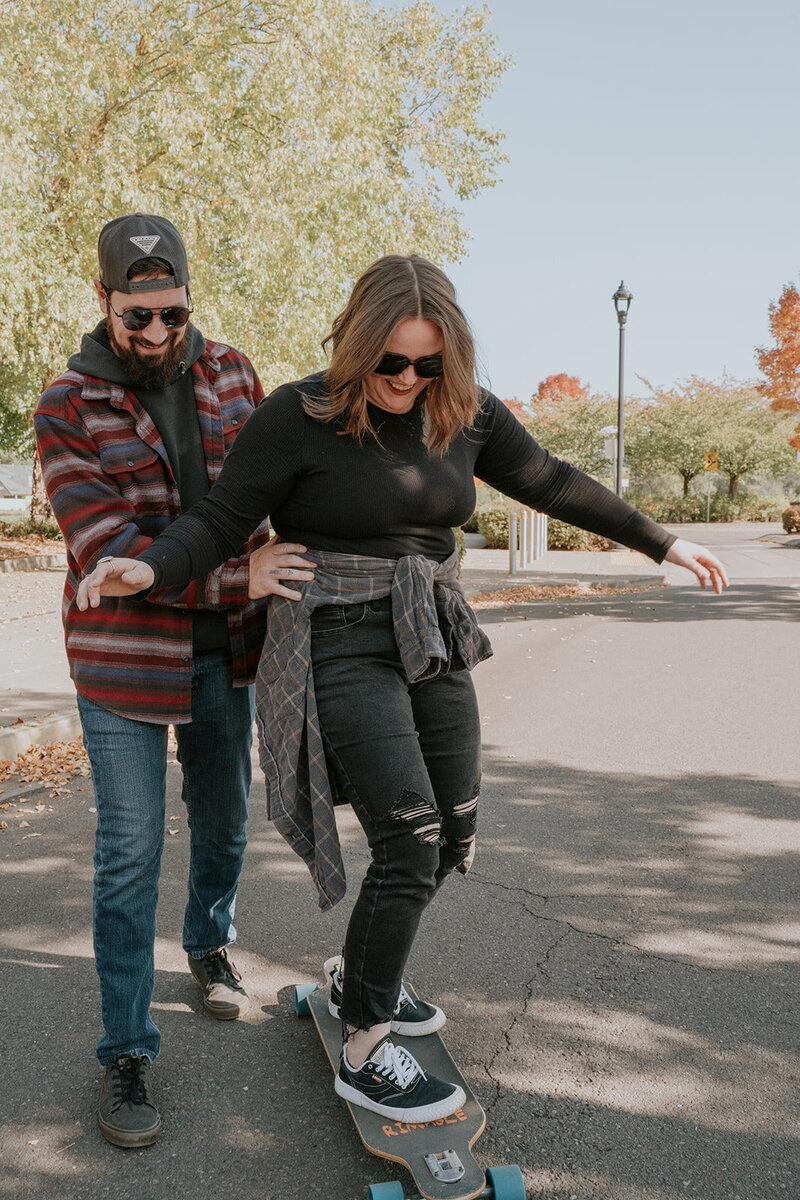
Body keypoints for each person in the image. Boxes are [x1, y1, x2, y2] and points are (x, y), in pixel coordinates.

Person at [77, 253, 728, 1125]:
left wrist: (663, 543)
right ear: (356, 346)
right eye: (390, 362)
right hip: (338, 634)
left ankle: (362, 976)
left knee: (454, 828)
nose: (407, 380)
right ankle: (366, 1044)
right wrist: (150, 568)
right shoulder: (299, 415)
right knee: (410, 836)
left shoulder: (466, 411)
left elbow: (550, 480)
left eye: (427, 364)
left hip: (431, 630)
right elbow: (220, 520)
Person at [34, 214, 313, 1148]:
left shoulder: (233, 373)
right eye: (136, 316)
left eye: (172, 314)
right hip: (122, 656)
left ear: (189, 299)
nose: (156, 333)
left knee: (226, 819)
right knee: (129, 852)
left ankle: (208, 945)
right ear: (104, 300)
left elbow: (272, 499)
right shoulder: (66, 403)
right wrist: (241, 576)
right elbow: (108, 552)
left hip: (224, 651)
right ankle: (126, 1050)